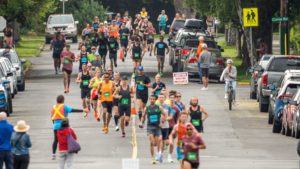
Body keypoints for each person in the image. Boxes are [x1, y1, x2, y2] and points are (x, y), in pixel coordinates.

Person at [51, 95, 87, 160]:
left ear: (57, 101)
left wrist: (55, 124)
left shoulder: (53, 107)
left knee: (56, 140)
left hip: (56, 126)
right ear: (63, 100)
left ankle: (53, 154)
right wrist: (83, 110)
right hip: (64, 126)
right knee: (69, 138)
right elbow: (72, 110)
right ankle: (69, 151)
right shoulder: (64, 106)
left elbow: (52, 117)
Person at [139, 95, 166, 164]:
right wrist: (141, 122)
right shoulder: (147, 108)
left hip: (157, 127)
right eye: (151, 99)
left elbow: (165, 115)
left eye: (153, 99)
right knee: (152, 142)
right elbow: (143, 116)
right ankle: (152, 158)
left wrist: (162, 123)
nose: (152, 100)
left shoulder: (159, 107)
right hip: (150, 127)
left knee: (156, 143)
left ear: (155, 100)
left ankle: (158, 154)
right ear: (149, 100)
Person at [157, 94, 172, 163]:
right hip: (157, 126)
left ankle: (161, 154)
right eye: (160, 97)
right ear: (158, 98)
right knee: (159, 140)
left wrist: (165, 119)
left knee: (163, 141)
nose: (161, 98)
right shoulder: (155, 106)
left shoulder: (168, 106)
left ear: (165, 98)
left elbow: (170, 117)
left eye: (162, 97)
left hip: (165, 126)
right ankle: (158, 153)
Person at [167, 93, 180, 163]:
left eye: (173, 98)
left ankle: (169, 156)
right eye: (170, 98)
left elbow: (178, 119)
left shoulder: (177, 109)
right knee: (166, 142)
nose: (172, 99)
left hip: (172, 128)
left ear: (175, 99)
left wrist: (177, 126)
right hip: (165, 127)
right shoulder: (166, 107)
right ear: (169, 98)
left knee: (171, 143)